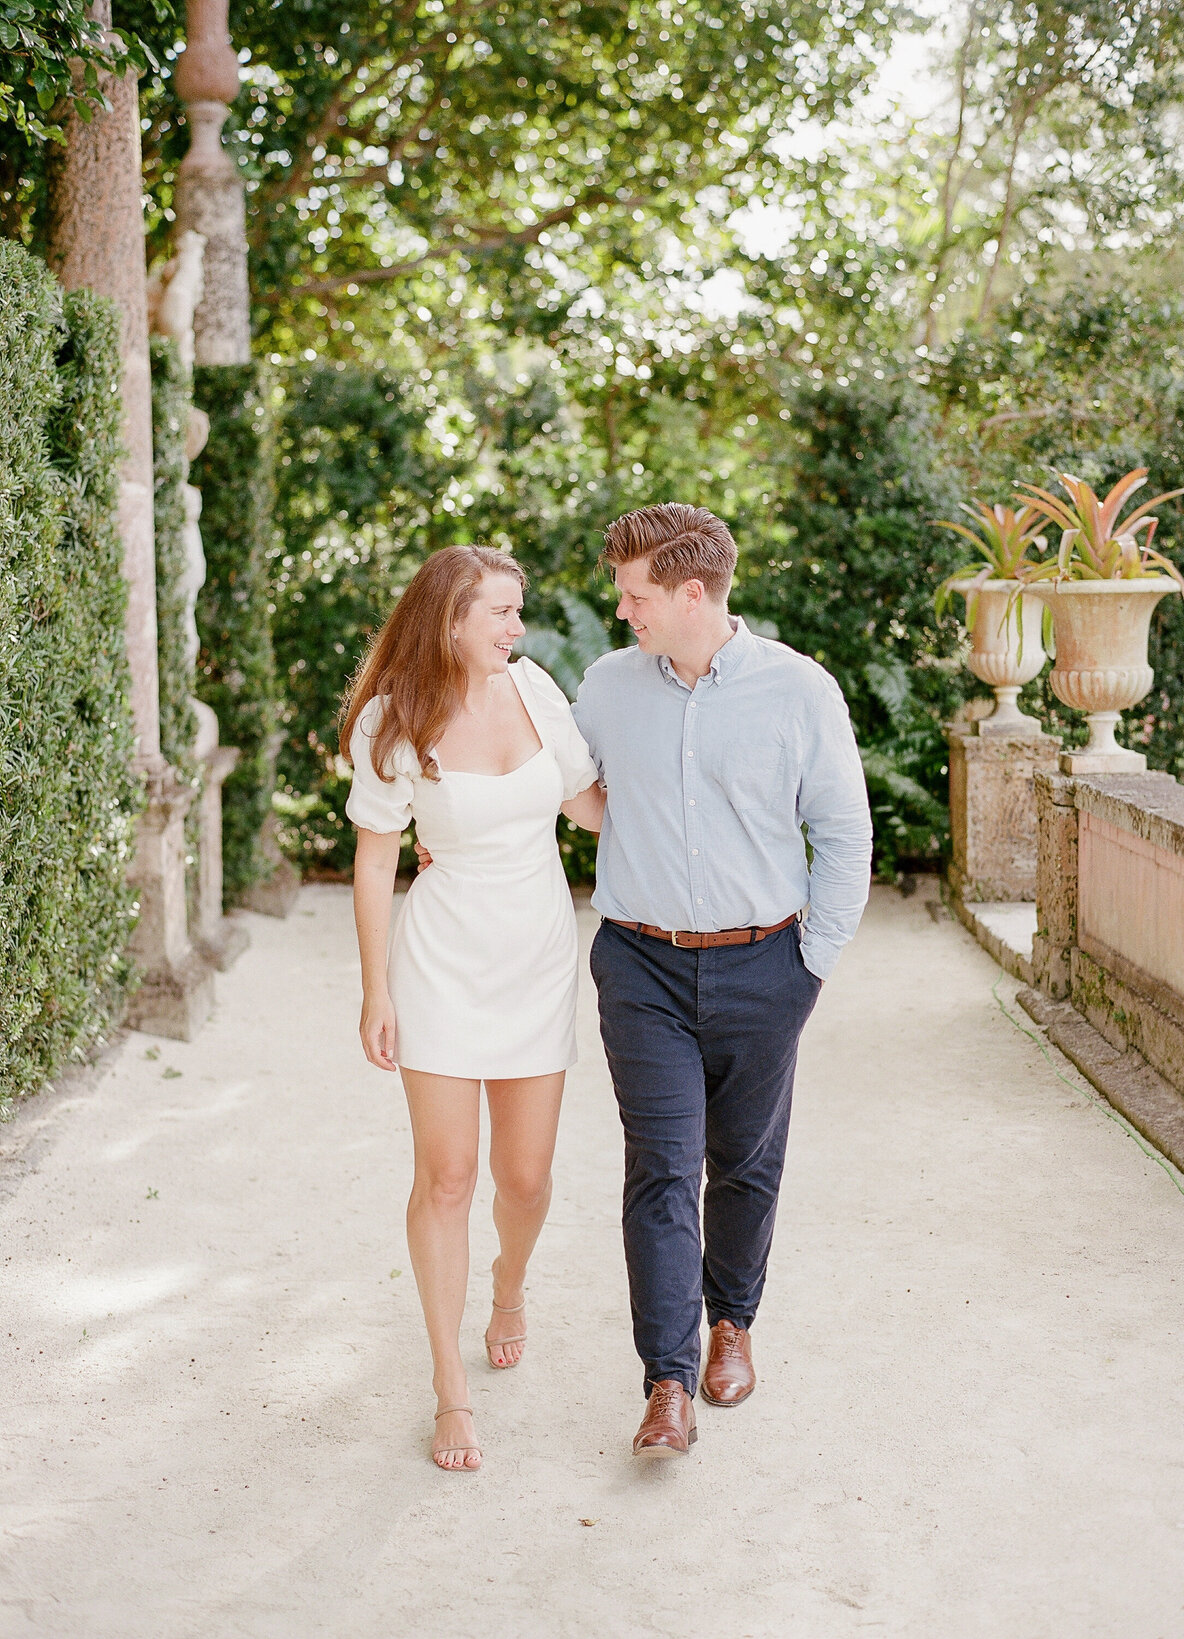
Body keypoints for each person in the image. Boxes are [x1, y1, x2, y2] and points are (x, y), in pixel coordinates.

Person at [572, 503, 873, 1455]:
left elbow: (844, 831)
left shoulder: (800, 691)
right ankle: (667, 1381)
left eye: (636, 594)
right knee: (661, 1165)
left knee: (744, 1161)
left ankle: (732, 1320)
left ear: (690, 593)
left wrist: (809, 965)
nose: (623, 611)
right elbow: (557, 778)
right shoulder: (607, 687)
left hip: (765, 963)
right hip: (643, 965)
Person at [341, 545, 604, 1472]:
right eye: (499, 612)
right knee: (446, 1177)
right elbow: (377, 862)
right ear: (449, 617)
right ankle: (450, 1391)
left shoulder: (537, 691)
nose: (515, 629)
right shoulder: (395, 716)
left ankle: (509, 1283)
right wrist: (376, 988)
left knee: (525, 1179)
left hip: (537, 961)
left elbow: (589, 806)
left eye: (517, 611)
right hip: (441, 966)